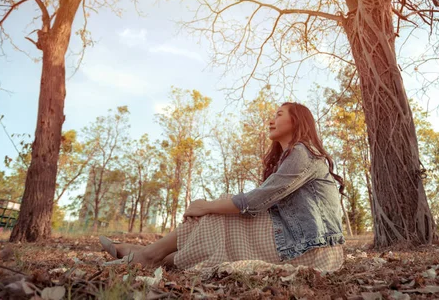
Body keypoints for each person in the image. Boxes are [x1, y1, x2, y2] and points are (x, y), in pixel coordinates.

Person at [100, 102, 346, 272]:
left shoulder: (304, 154)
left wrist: (206, 206)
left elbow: (255, 201)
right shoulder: (292, 157)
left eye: (279, 114)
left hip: (316, 248)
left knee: (219, 212)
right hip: (302, 241)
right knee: (216, 229)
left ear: (297, 120)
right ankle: (150, 255)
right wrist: (210, 208)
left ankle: (148, 255)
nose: (272, 119)